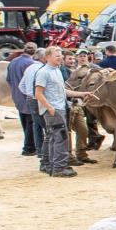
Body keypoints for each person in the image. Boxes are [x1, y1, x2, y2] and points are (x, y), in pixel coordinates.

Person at [25, 47, 76, 177]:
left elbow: (62, 91)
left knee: (53, 137)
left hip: (59, 108)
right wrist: (49, 107)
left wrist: (81, 94)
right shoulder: (44, 72)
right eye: (57, 56)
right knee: (60, 137)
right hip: (54, 110)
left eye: (60, 55)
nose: (60, 57)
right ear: (47, 57)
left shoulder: (57, 70)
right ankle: (59, 168)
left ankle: (51, 165)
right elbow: (38, 93)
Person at [7, 46, 40, 157]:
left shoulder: (13, 62)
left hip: (17, 95)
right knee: (31, 122)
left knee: (24, 121)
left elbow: (8, 79)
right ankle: (29, 147)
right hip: (28, 95)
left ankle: (28, 145)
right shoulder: (31, 64)